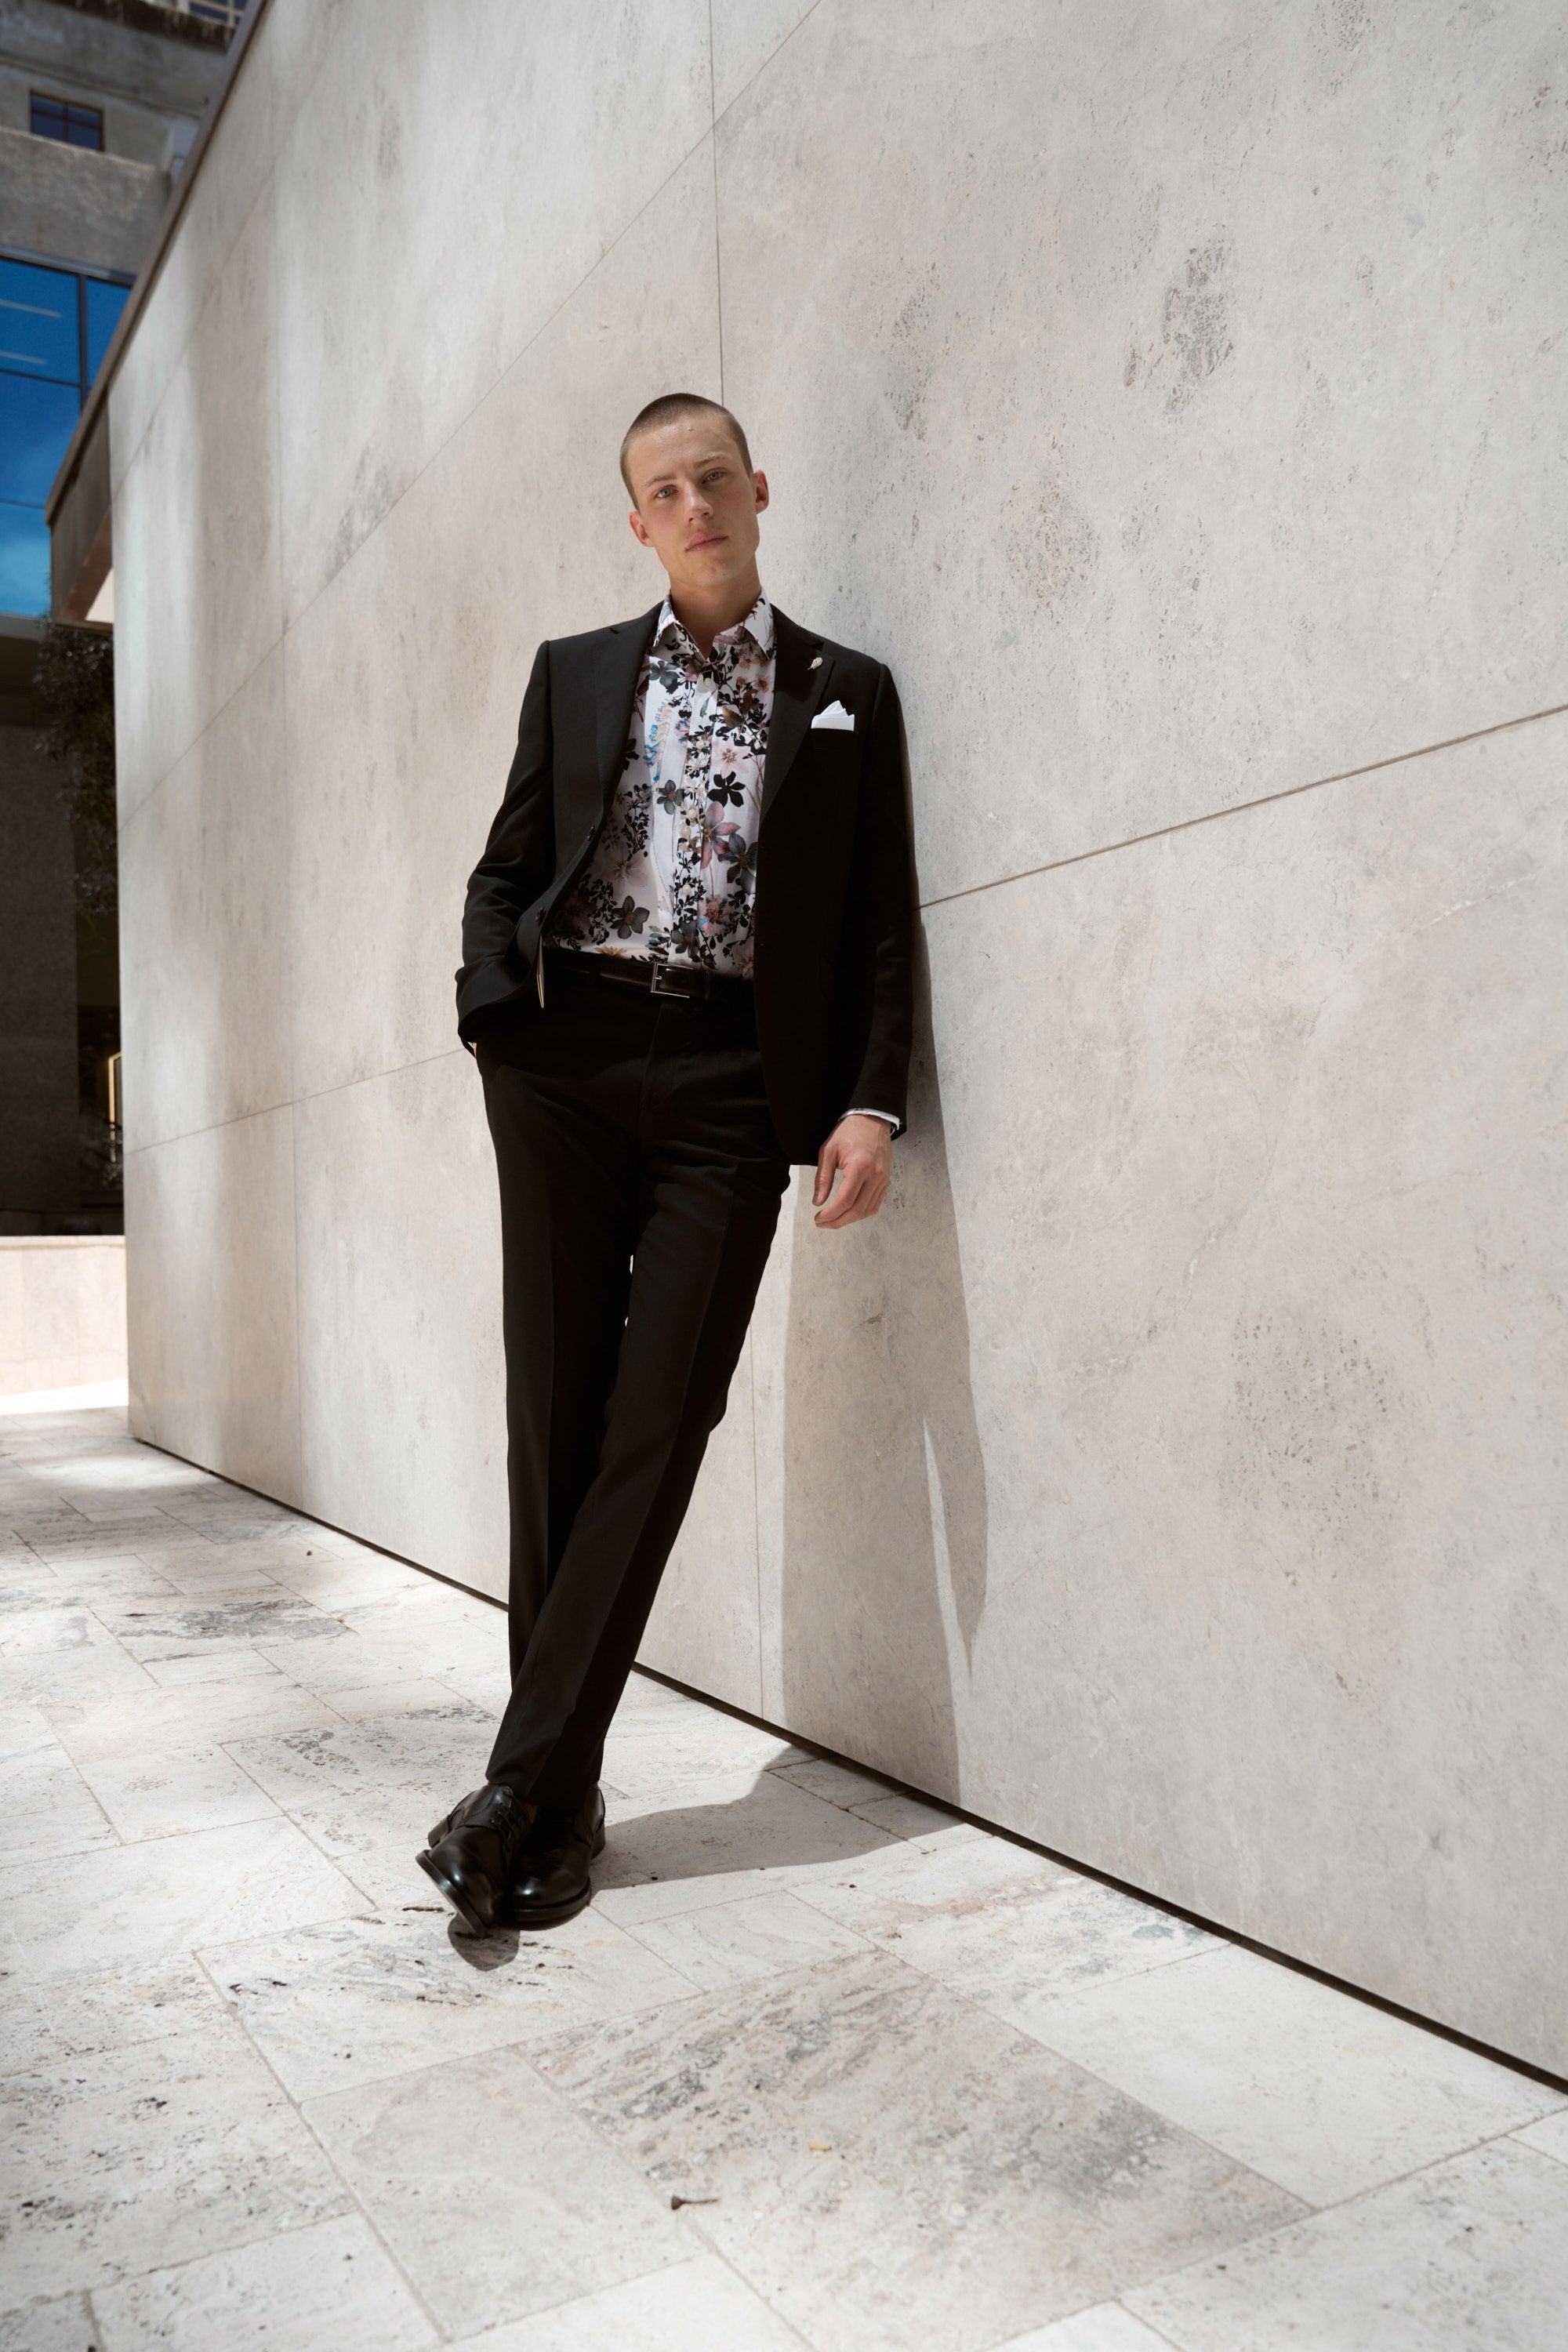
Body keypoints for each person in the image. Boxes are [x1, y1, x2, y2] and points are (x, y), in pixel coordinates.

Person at [418, 393, 915, 1933]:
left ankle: (519, 1788)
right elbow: (509, 866)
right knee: (554, 1414)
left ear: (757, 491)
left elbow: (881, 917)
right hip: (561, 1064)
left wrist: (868, 1102)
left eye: (713, 477)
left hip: (726, 1080)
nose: (693, 504)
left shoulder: (846, 692)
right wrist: (492, 1013)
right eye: (661, 489)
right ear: (635, 521)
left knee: (662, 1417)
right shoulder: (575, 676)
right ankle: (550, 1812)